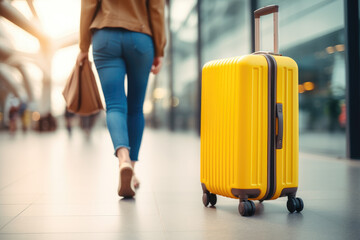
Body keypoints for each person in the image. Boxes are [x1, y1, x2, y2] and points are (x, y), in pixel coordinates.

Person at [77, 0, 166, 198]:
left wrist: (83, 46)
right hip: (140, 37)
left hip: (105, 35)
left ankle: (123, 160)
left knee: (115, 105)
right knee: (135, 108)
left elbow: (88, 5)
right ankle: (131, 171)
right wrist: (159, 49)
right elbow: (157, 9)